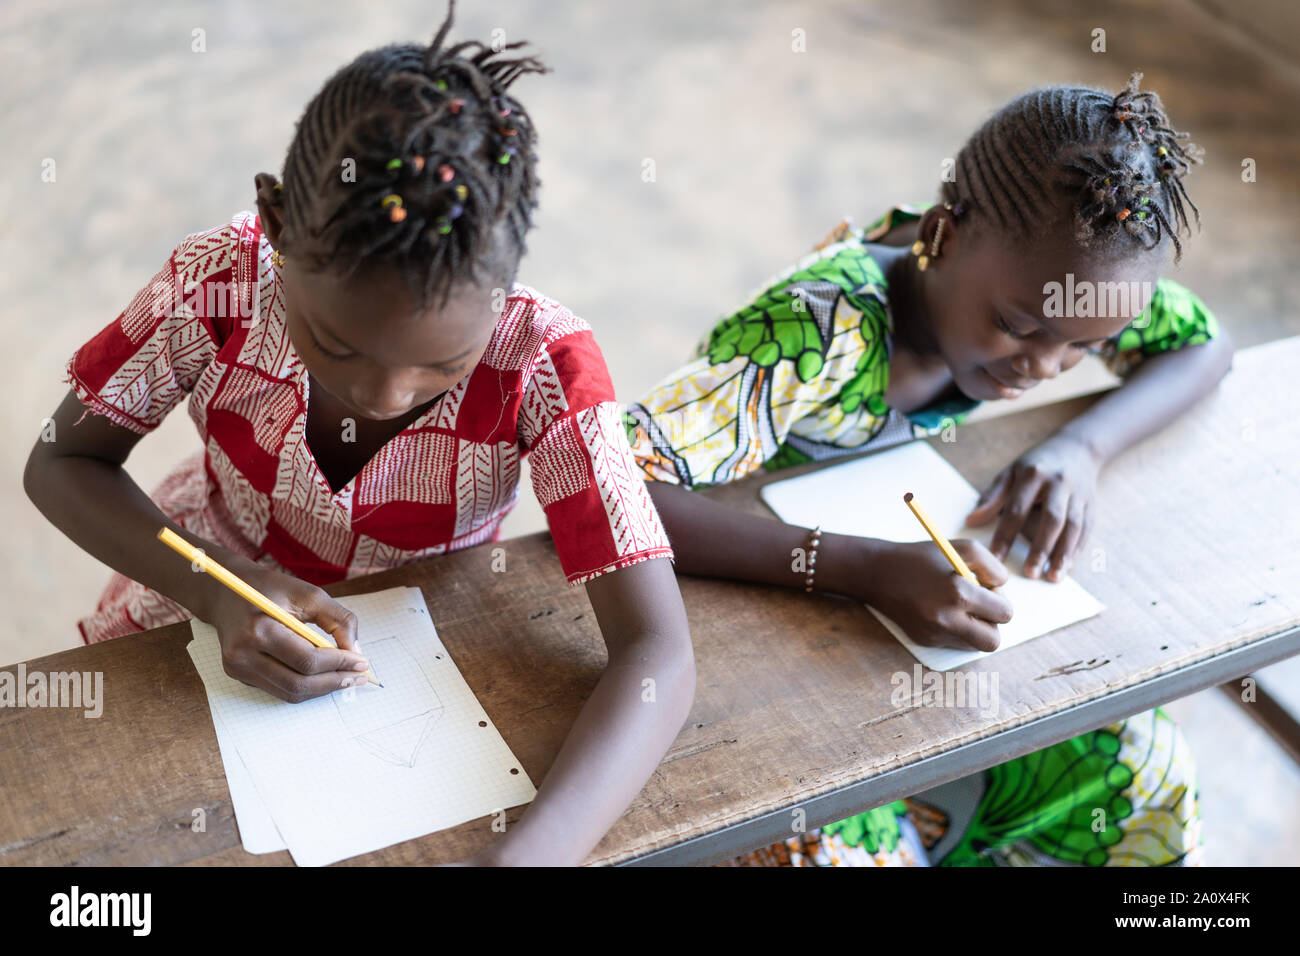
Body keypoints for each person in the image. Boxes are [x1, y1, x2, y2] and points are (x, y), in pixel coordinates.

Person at [24, 3, 694, 867]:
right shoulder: (218, 282)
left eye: (441, 365)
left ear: (506, 285)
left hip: (434, 642)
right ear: (273, 223)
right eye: (334, 344)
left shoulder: (544, 363)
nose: (381, 394)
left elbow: (659, 655)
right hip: (203, 571)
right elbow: (61, 460)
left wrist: (526, 858)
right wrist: (224, 588)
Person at [625, 73, 1231, 866]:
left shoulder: (1064, 280)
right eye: (1018, 327)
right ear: (940, 236)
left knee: (1140, 779)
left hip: (911, 649)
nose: (1045, 367)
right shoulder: (815, 325)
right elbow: (620, 486)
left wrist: (1078, 449)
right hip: (766, 651)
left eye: (1082, 346)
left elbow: (1202, 346)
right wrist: (863, 569)